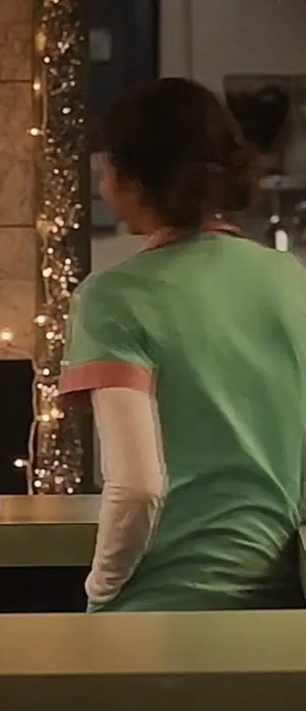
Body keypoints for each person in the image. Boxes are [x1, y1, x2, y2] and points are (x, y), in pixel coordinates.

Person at [61, 78, 306, 612]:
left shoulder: (113, 298)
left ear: (134, 176)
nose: (102, 184)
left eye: (107, 168)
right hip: (283, 611)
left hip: (162, 608)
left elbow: (137, 487)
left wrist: (101, 588)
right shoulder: (292, 280)